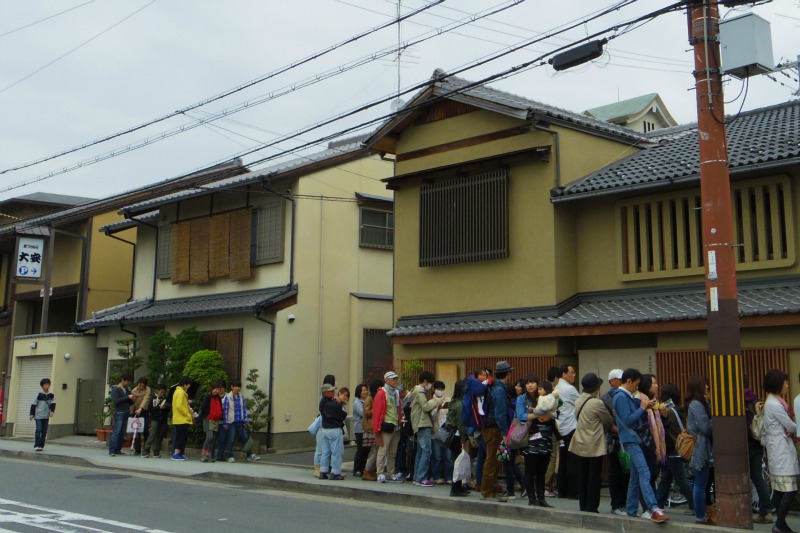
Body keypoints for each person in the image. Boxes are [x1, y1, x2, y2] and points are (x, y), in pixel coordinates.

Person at [613, 368, 669, 523]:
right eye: (636, 384)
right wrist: (643, 407)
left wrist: (646, 405)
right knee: (644, 473)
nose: (637, 387)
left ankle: (631, 509)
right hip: (631, 439)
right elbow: (628, 419)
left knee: (636, 477)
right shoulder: (621, 397)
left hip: (632, 439)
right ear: (629, 381)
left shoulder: (626, 396)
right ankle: (653, 509)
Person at [763, 369, 800, 533]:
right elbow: (790, 425)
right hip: (780, 450)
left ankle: (780, 522)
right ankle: (779, 523)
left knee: (779, 489)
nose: (787, 385)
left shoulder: (774, 401)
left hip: (779, 448)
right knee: (790, 489)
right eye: (785, 382)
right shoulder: (774, 404)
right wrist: (795, 428)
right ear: (777, 383)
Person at [569, 372, 612, 513]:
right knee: (594, 476)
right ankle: (592, 506)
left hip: (580, 442)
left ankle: (583, 505)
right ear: (596, 388)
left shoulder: (578, 401)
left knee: (583, 474)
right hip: (594, 444)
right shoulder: (597, 403)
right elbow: (608, 421)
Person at [654, 383, 694, 513]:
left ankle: (696, 505)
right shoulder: (678, 409)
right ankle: (658, 504)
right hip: (677, 450)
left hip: (673, 451)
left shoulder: (668, 412)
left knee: (680, 480)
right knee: (666, 479)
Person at [517, 376, 556, 507]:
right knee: (530, 470)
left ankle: (541, 498)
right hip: (531, 438)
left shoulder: (547, 398)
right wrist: (538, 414)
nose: (530, 385)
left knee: (542, 471)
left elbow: (556, 413)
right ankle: (532, 499)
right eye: (527, 383)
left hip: (545, 439)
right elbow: (521, 416)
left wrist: (548, 415)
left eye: (533, 383)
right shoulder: (522, 399)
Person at [745, 376, 775, 523]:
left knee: (747, 477)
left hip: (744, 444)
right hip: (758, 442)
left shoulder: (738, 402)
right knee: (757, 477)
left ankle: (747, 511)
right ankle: (766, 510)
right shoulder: (756, 400)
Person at [481, 360, 512, 503]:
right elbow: (500, 413)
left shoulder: (495, 387)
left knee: (497, 459)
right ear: (508, 373)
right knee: (493, 460)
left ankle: (492, 489)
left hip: (492, 428)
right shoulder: (499, 390)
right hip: (495, 429)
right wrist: (505, 433)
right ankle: (487, 491)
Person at [686, 375, 713, 525]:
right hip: (700, 448)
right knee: (701, 483)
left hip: (704, 447)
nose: (708, 388)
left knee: (702, 483)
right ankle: (700, 516)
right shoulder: (696, 404)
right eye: (705, 385)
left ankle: (704, 514)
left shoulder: (699, 403)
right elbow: (705, 427)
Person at [602, 368, 628, 515]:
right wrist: (618, 429)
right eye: (620, 378)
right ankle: (616, 504)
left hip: (626, 439)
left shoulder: (627, 394)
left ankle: (625, 503)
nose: (623, 380)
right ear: (612, 381)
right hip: (614, 441)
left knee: (627, 473)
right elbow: (606, 422)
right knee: (616, 472)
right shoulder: (605, 398)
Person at [410, 371, 443, 487]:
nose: (430, 386)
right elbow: (425, 407)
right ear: (425, 381)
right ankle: (421, 478)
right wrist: (438, 400)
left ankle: (417, 477)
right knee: (426, 451)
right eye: (430, 383)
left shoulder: (416, 391)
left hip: (419, 424)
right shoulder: (420, 392)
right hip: (423, 424)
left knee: (420, 451)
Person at [373, 370, 404, 483]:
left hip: (396, 425)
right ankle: (380, 473)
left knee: (393, 452)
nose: (395, 381)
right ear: (386, 380)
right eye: (393, 379)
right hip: (386, 425)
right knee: (383, 450)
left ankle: (391, 473)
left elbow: (398, 409)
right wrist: (376, 428)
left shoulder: (396, 393)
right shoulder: (382, 393)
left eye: (396, 378)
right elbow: (376, 411)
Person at [221, 379, 260, 463]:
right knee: (231, 439)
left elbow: (244, 409)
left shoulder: (241, 396)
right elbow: (225, 411)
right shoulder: (228, 397)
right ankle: (230, 456)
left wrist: (246, 419)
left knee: (245, 438)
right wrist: (225, 422)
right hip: (231, 422)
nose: (237, 388)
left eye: (239, 386)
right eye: (236, 386)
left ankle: (249, 455)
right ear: (232, 387)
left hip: (240, 421)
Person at [555, 363, 579, 500]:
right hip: (570, 427)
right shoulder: (570, 389)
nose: (574, 374)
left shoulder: (557, 388)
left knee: (563, 460)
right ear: (564, 374)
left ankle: (562, 491)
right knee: (573, 460)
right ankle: (573, 491)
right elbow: (580, 403)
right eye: (572, 372)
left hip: (559, 428)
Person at [445, 379, 470, 497]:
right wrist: (463, 440)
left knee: (458, 461)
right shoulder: (460, 404)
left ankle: (459, 487)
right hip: (457, 436)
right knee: (458, 462)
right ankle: (455, 488)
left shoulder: (454, 402)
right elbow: (461, 424)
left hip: (452, 435)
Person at [319, 384, 349, 480]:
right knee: (336, 452)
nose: (333, 393)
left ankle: (323, 471)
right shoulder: (333, 404)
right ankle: (335, 472)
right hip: (335, 429)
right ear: (325, 393)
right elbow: (342, 415)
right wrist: (340, 404)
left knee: (325, 452)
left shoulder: (322, 403)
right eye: (331, 391)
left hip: (325, 429)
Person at [313, 374, 336, 478]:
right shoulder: (325, 396)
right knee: (321, 449)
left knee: (323, 449)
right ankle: (317, 469)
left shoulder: (325, 394)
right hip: (322, 423)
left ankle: (323, 468)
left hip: (325, 423)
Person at [430, 381, 452, 484]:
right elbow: (432, 417)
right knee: (437, 456)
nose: (440, 391)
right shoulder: (431, 402)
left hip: (447, 431)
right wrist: (438, 408)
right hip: (435, 431)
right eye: (438, 389)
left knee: (448, 456)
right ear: (434, 389)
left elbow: (451, 415)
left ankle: (448, 477)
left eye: (442, 389)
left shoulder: (449, 400)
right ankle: (437, 476)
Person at [544, 366, 561, 498]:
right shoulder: (551, 392)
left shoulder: (543, 388)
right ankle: (546, 485)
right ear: (556, 378)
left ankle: (546, 484)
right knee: (553, 458)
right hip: (551, 429)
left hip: (543, 430)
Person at [361, 378, 382, 481]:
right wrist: (377, 408)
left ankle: (371, 470)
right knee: (375, 450)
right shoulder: (369, 398)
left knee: (377, 450)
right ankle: (367, 470)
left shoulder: (377, 397)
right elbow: (367, 413)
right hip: (371, 428)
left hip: (376, 427)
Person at [109, 374, 134, 457]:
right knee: (117, 431)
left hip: (126, 412)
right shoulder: (115, 389)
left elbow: (129, 401)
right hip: (119, 412)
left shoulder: (127, 389)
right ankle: (112, 450)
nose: (128, 383)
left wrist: (131, 399)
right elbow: (116, 401)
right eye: (127, 381)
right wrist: (127, 397)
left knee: (122, 432)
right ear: (122, 380)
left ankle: (118, 449)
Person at [142, 384, 169, 458]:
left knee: (160, 436)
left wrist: (165, 407)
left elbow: (169, 409)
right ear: (158, 391)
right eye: (161, 392)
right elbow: (150, 409)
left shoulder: (166, 399)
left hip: (163, 419)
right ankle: (146, 450)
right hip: (155, 419)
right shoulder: (153, 398)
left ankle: (156, 451)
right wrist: (159, 407)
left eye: (163, 392)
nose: (162, 394)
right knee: (152, 434)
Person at [171, 376, 194, 461]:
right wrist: (188, 415)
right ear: (184, 385)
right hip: (182, 419)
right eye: (188, 385)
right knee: (182, 436)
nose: (189, 387)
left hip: (179, 419)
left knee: (182, 436)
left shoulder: (179, 392)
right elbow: (179, 406)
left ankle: (179, 453)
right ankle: (176, 453)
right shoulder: (180, 393)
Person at [199, 381, 223, 462]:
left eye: (218, 389)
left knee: (213, 439)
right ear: (212, 389)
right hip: (208, 419)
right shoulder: (207, 397)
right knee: (210, 437)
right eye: (215, 389)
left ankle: (209, 455)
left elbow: (220, 408)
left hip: (216, 420)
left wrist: (220, 416)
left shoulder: (218, 398)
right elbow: (203, 407)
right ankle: (203, 454)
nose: (217, 391)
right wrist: (209, 413)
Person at [29, 378, 55, 451]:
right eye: (45, 385)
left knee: (44, 431)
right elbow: (33, 404)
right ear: (42, 386)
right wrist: (31, 414)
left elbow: (53, 404)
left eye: (48, 384)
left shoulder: (51, 395)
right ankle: (36, 445)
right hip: (38, 415)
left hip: (46, 416)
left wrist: (52, 411)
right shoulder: (39, 395)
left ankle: (41, 445)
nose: (47, 386)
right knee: (39, 430)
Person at [130, 377, 151, 456]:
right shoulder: (134, 391)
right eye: (139, 385)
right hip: (136, 412)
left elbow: (146, 399)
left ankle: (146, 449)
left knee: (145, 430)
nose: (140, 387)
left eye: (142, 385)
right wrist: (131, 413)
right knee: (136, 431)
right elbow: (131, 403)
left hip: (144, 411)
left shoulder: (148, 390)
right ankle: (137, 449)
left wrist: (140, 409)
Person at [352, 383, 368, 477]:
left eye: (366, 390)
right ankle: (356, 469)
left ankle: (362, 468)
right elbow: (363, 413)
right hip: (359, 429)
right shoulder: (356, 402)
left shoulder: (366, 401)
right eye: (363, 390)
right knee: (360, 449)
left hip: (366, 429)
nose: (365, 392)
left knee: (366, 450)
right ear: (359, 392)